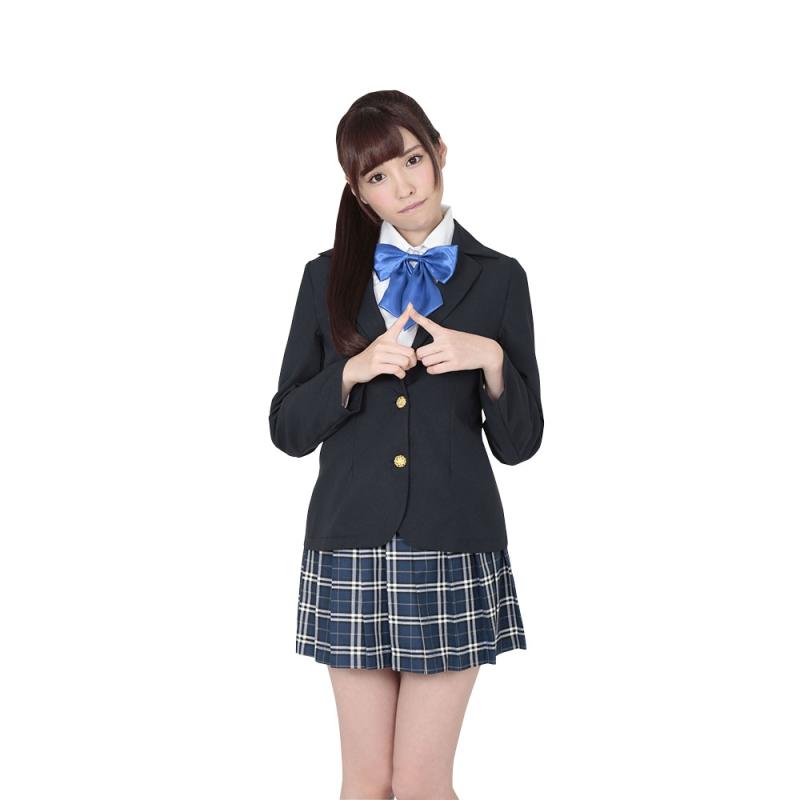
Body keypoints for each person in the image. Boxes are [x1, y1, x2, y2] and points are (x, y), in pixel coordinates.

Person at [269, 89, 544, 800]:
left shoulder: (500, 278)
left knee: (420, 782)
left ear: (440, 153)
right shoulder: (324, 278)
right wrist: (351, 372)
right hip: (350, 542)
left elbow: (520, 445)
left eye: (413, 160)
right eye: (378, 175)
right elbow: (286, 428)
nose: (403, 186)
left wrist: (490, 360)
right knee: (365, 783)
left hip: (452, 540)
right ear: (359, 193)